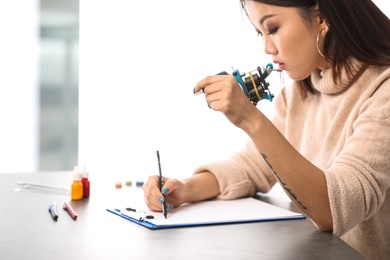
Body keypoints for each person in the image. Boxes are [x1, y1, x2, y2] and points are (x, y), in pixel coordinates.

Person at [142, 0, 390, 259]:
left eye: (272, 28)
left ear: (321, 18)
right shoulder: (301, 90)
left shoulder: (384, 89)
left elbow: (334, 210)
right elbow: (255, 164)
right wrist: (184, 189)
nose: (267, 48)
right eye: (260, 33)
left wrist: (250, 119)